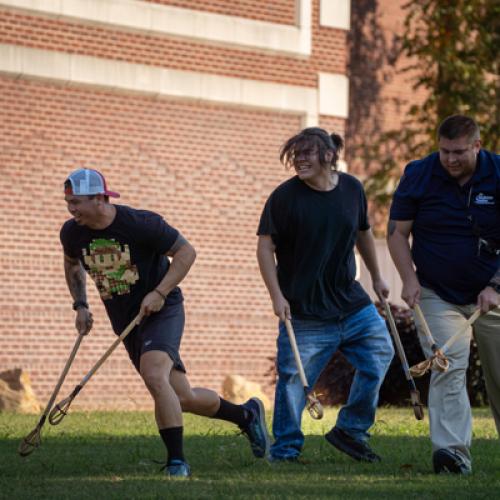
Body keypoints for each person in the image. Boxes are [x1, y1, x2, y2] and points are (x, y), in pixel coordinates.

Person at [60, 168, 270, 477]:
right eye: (68, 203)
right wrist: (80, 305)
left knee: (154, 374)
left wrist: (160, 292)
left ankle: (177, 463)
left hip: (162, 308)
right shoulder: (72, 232)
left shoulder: (140, 224)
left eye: (77, 202)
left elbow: (186, 251)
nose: (71, 209)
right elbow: (72, 264)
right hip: (127, 319)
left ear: (100, 199)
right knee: (180, 396)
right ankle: (246, 415)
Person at [256, 127, 394, 463]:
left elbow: (363, 232)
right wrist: (276, 296)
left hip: (351, 303)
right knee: (292, 382)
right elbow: (264, 247)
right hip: (304, 312)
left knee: (380, 353)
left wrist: (376, 276)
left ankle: (351, 430)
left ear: (328, 155)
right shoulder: (284, 198)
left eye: (306, 153)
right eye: (295, 154)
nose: (299, 160)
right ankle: (285, 450)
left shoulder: (351, 189)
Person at [387, 115, 500, 475]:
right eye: (444, 151)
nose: (450, 159)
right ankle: (452, 454)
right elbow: (396, 233)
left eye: (459, 152)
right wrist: (408, 279)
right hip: (436, 293)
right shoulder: (419, 174)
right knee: (447, 360)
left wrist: (495, 286)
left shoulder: (498, 174)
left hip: (492, 291)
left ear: (477, 147)